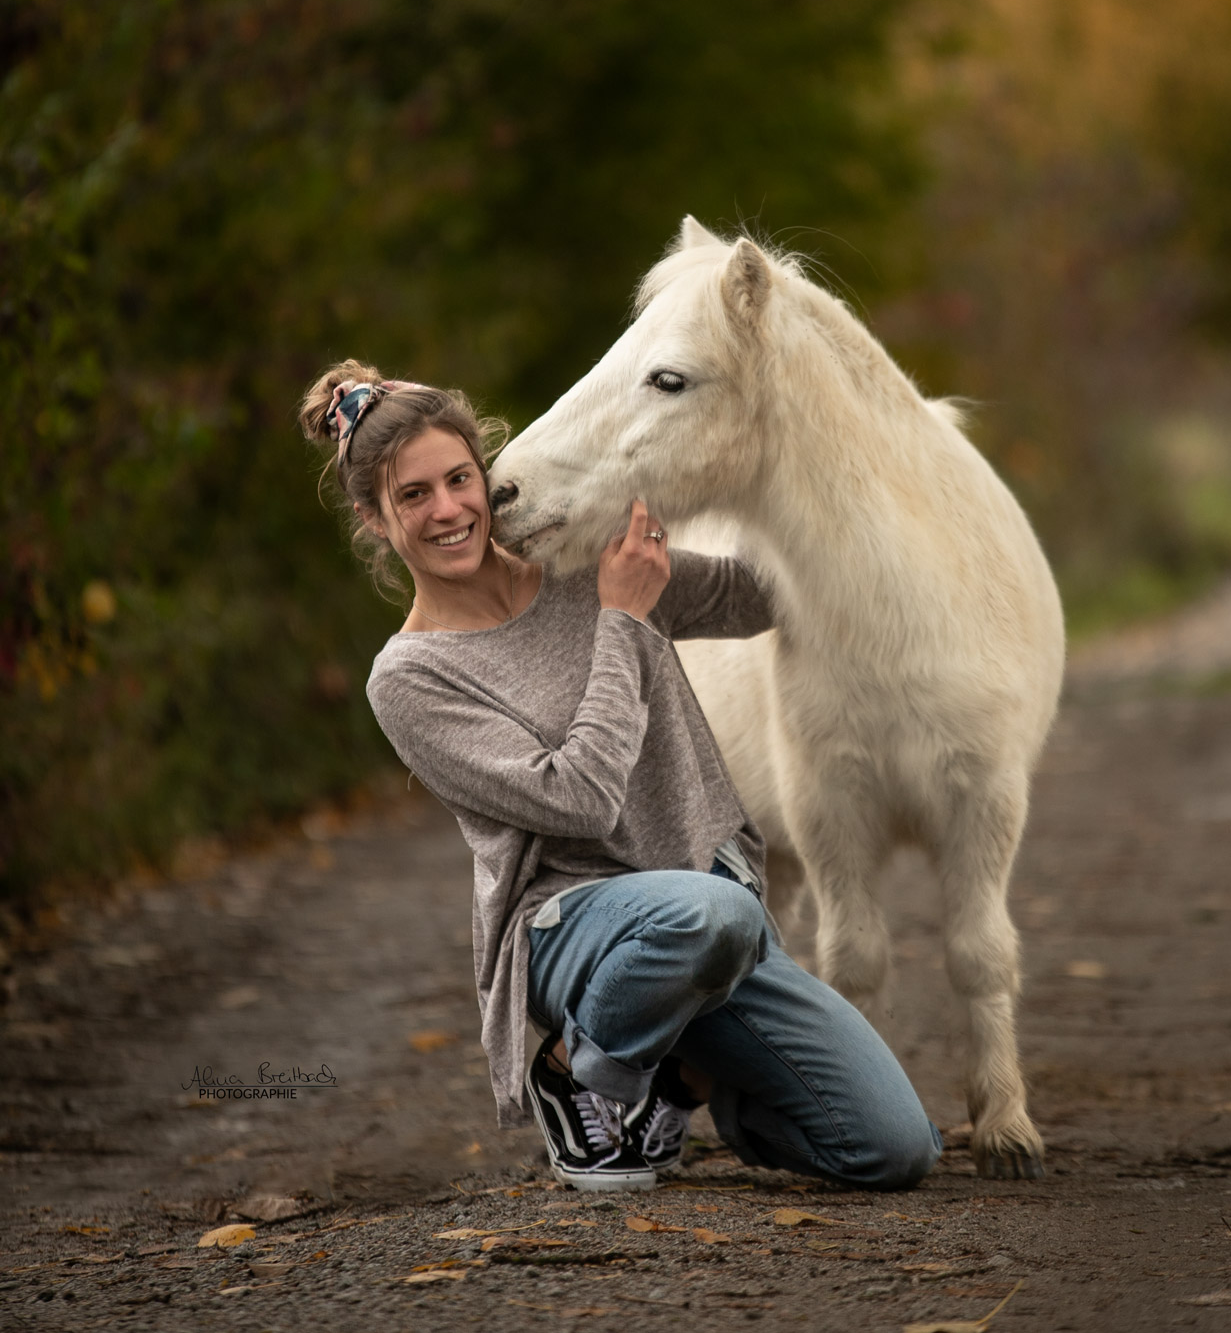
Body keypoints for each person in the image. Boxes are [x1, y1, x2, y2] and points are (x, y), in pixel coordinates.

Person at [300, 360, 941, 1192]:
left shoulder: (581, 564)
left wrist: (803, 481)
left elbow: (765, 596)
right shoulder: (412, 679)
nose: (449, 509)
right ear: (375, 520)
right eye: (413, 496)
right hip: (572, 934)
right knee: (715, 912)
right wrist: (626, 618)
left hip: (712, 928)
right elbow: (579, 797)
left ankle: (688, 1079)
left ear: (487, 474)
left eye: (460, 479)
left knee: (897, 1149)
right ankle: (578, 1070)